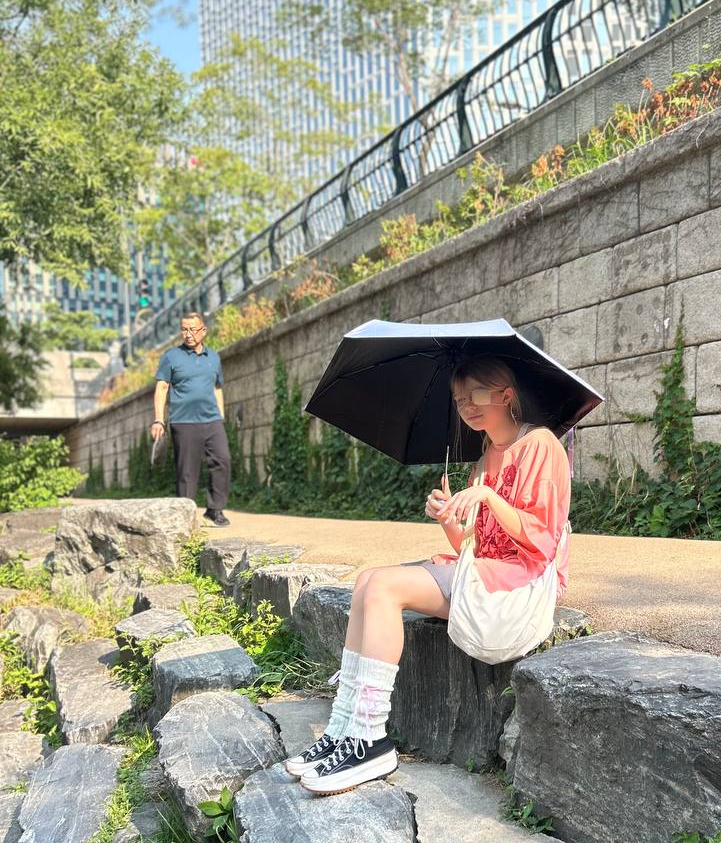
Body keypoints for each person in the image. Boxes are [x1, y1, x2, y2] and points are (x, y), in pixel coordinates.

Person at [285, 356, 572, 796]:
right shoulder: (485, 458)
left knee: (383, 588)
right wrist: (447, 519)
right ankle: (345, 727)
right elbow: (474, 547)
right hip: (486, 574)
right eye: (458, 399)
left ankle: (370, 738)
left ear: (506, 395)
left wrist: (489, 497)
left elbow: (542, 540)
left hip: (521, 585)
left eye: (476, 395)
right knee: (367, 581)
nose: (466, 407)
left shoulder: (541, 445)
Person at [151, 311, 232, 527]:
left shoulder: (213, 357)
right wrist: (159, 420)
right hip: (183, 421)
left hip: (212, 420)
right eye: (184, 329)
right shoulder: (171, 356)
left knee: (222, 460)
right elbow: (162, 387)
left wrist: (221, 416)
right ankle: (185, 516)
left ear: (203, 331)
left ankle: (215, 509)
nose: (188, 334)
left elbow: (217, 388)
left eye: (192, 329)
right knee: (187, 471)